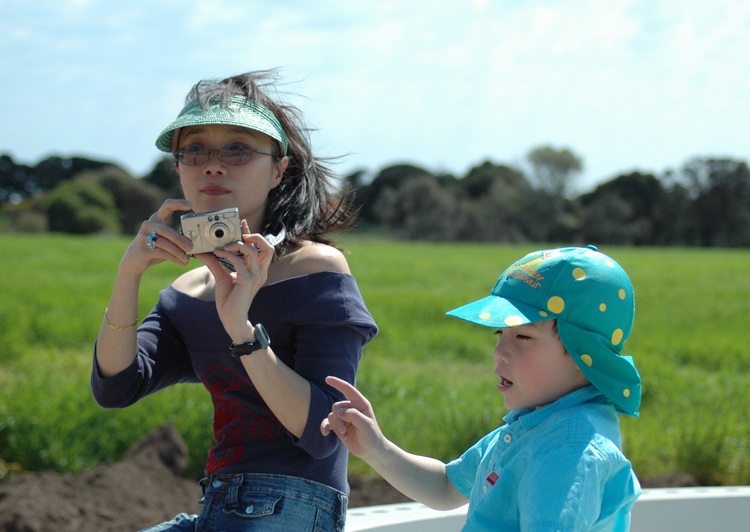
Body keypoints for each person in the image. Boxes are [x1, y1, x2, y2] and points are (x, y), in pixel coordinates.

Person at [91, 70, 377, 531]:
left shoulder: (316, 270)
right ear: (178, 166)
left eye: (238, 149)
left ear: (279, 170)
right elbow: (116, 387)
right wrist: (129, 274)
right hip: (218, 502)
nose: (212, 165)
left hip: (294, 506)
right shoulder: (183, 296)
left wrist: (240, 327)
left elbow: (325, 431)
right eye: (195, 149)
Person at [322, 246, 642, 531]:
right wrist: (376, 448)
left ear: (582, 355)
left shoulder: (568, 452)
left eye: (523, 337)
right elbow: (446, 487)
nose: (499, 351)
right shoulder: (538, 423)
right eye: (499, 334)